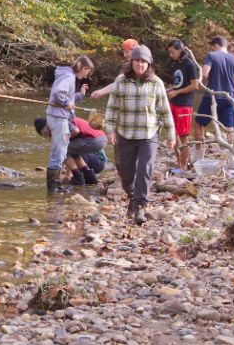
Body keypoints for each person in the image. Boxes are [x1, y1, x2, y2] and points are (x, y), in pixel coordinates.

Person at [104, 45, 175, 225]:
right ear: (132, 62)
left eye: (144, 61)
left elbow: (165, 111)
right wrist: (110, 131)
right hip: (126, 133)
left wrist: (171, 134)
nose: (140, 64)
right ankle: (133, 197)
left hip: (149, 133)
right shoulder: (120, 81)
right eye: (137, 60)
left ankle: (140, 206)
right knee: (126, 174)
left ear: (149, 63)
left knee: (145, 168)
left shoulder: (156, 83)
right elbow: (112, 108)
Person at [44, 56, 93, 192]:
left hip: (56, 116)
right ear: (84, 68)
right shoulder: (69, 77)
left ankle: (55, 186)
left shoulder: (66, 74)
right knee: (59, 152)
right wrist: (65, 103)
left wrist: (80, 95)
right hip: (59, 117)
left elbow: (67, 96)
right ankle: (54, 188)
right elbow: (59, 93)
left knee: (59, 150)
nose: (86, 75)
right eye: (87, 72)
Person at [194, 36, 234, 153]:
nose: (211, 49)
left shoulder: (212, 56)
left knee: (198, 124)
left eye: (212, 47)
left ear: (215, 45)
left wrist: (204, 84)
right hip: (229, 98)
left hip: (211, 97)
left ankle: (199, 155)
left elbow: (205, 74)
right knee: (230, 128)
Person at [33, 115, 107, 185]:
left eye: (45, 133)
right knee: (69, 150)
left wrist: (63, 141)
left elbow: (76, 131)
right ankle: (89, 177)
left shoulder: (59, 123)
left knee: (62, 148)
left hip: (96, 147)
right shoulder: (60, 122)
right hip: (100, 139)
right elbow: (70, 154)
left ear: (46, 126)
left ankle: (78, 177)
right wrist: (67, 175)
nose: (47, 136)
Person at [164, 39, 200, 171]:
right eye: (169, 52)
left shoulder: (189, 64)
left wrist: (177, 92)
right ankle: (179, 162)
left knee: (184, 136)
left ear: (180, 50)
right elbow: (179, 83)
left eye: (172, 52)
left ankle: (184, 166)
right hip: (174, 102)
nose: (171, 55)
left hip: (184, 104)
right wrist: (170, 90)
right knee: (173, 134)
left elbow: (195, 85)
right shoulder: (177, 64)